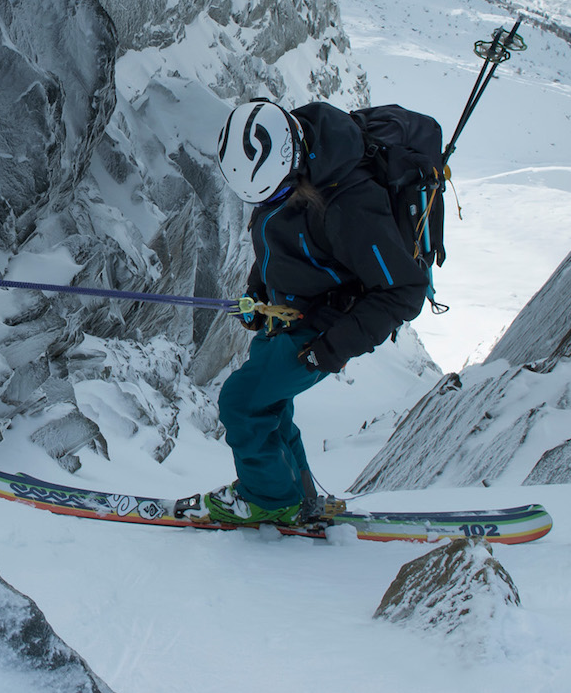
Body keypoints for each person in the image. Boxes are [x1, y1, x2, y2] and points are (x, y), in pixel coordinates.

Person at [175, 98, 429, 526]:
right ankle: (297, 495)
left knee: (241, 402)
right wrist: (259, 293)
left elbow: (405, 289)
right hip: (290, 315)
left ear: (293, 168)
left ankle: (269, 500)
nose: (268, 202)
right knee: (270, 405)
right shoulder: (288, 167)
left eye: (274, 193)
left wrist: (330, 348)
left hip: (326, 325)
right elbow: (285, 241)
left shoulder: (349, 206)